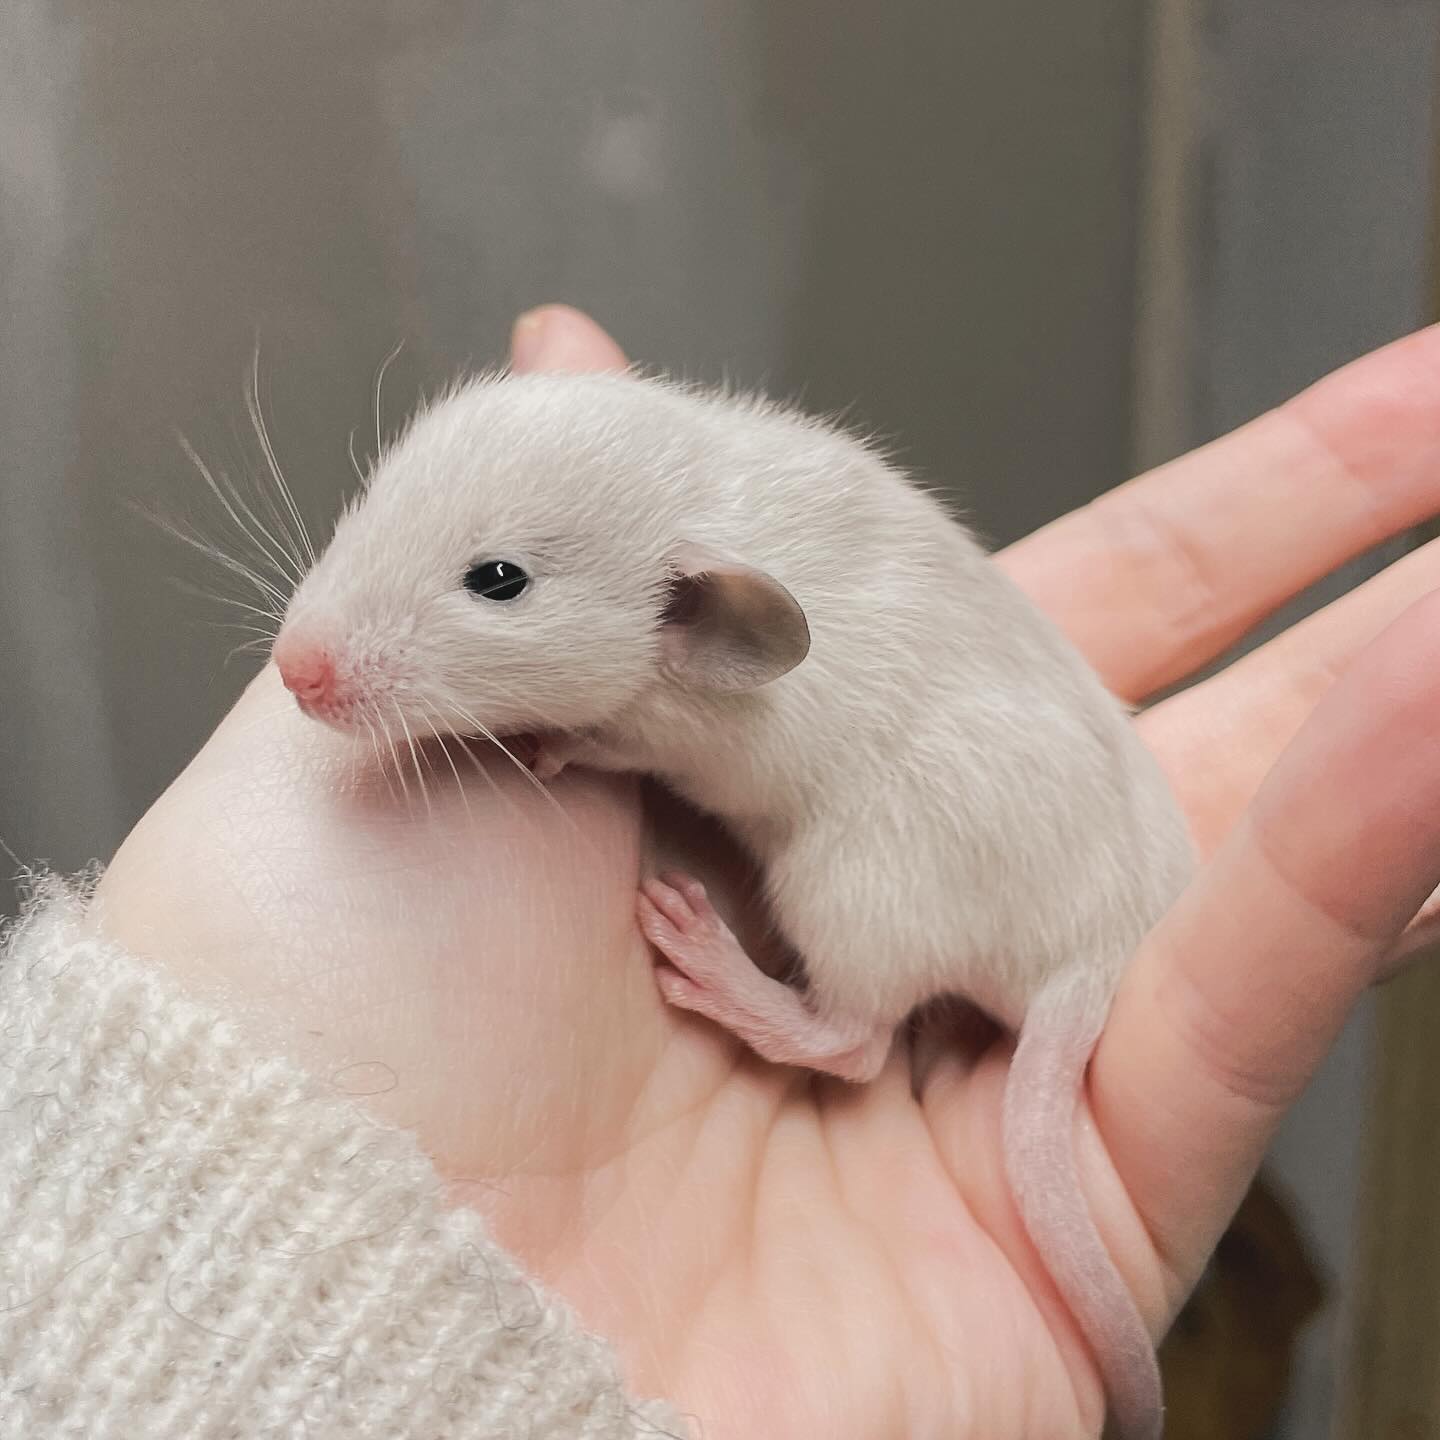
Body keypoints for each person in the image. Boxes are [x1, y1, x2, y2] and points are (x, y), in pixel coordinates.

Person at [4, 304, 1440, 1439]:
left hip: (1008, 861)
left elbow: (743, 751)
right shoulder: (625, 542)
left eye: (492, 587)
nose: (310, 654)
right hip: (1073, 822)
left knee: (856, 848)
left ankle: (837, 1027)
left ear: (692, 621)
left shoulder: (717, 636)